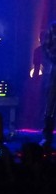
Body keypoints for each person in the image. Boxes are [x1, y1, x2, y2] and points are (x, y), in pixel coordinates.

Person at [40, 21, 56, 150]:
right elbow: (45, 46)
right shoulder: (54, 27)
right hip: (55, 69)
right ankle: (47, 137)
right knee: (51, 103)